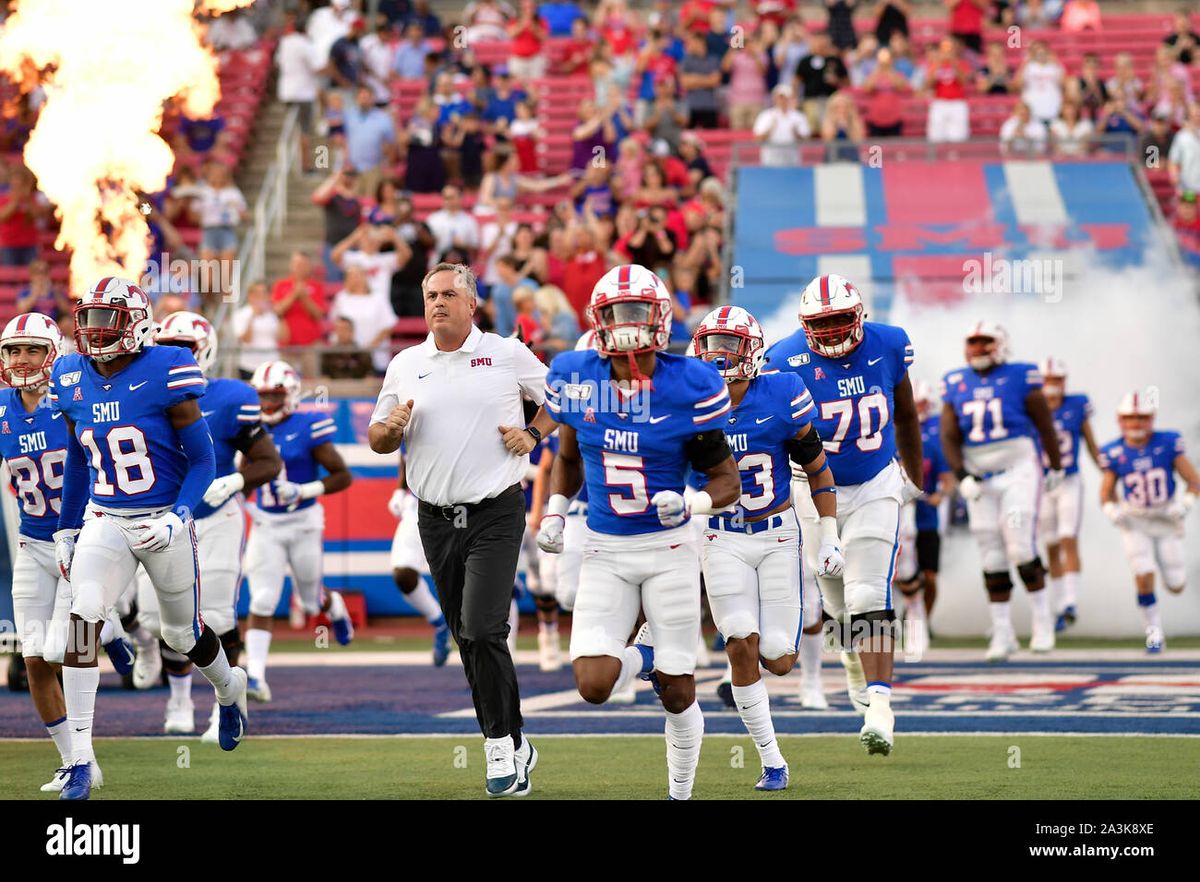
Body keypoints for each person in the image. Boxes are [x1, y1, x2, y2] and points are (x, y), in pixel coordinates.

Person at [536, 263, 742, 800]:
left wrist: (694, 501)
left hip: (669, 547)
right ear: (597, 321)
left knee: (677, 696)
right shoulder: (575, 374)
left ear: (660, 318)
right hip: (605, 547)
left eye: (635, 312)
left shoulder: (690, 383)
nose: (626, 325)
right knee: (593, 684)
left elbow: (726, 480)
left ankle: (679, 793)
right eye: (615, 314)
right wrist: (557, 508)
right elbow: (568, 455)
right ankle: (645, 656)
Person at [50, 278, 248, 800]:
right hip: (106, 517)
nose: (92, 331)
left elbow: (203, 459)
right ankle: (81, 759)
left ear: (136, 324)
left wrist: (180, 516)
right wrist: (68, 526)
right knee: (82, 616)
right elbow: (77, 458)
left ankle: (230, 689)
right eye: (87, 318)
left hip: (162, 516)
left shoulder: (166, 367)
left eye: (104, 320)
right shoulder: (69, 372)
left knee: (181, 636)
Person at [369, 262, 557, 798]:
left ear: (472, 304)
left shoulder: (505, 351)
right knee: (465, 637)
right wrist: (390, 431)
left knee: (481, 627)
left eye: (449, 294)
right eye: (430, 295)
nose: (437, 303)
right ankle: (515, 739)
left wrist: (532, 434)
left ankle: (498, 746)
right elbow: (379, 434)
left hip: (495, 510)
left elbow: (561, 400)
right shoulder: (406, 363)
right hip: (434, 517)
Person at [764, 273, 923, 758]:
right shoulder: (782, 359)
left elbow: (908, 413)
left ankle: (880, 705)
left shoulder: (890, 344)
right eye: (821, 323)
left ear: (858, 316)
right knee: (834, 599)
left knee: (868, 591)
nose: (832, 331)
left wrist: (914, 477)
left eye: (839, 320)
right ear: (805, 324)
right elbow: (774, 433)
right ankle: (853, 663)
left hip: (874, 481)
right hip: (811, 489)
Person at [688, 306, 843, 791]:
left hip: (777, 534)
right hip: (721, 534)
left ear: (752, 352)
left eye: (729, 345)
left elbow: (817, 468)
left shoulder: (781, 393)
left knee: (778, 658)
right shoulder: (687, 400)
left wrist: (831, 533)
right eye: (711, 343)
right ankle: (773, 760)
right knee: (739, 641)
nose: (718, 355)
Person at [131, 313, 281, 740]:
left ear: (206, 351)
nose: (177, 355)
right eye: (167, 346)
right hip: (159, 519)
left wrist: (236, 479)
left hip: (215, 520)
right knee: (158, 619)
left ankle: (225, 706)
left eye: (187, 347)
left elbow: (270, 461)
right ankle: (178, 699)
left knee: (214, 615)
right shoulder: (138, 391)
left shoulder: (232, 396)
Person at [0, 314, 102, 792]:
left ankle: (115, 631)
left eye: (32, 350)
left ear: (52, 353)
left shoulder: (72, 399)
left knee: (71, 648)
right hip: (31, 544)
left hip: (84, 541)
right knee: (35, 659)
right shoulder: (1, 407)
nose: (21, 359)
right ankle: (74, 761)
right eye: (13, 350)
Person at [939, 322, 1064, 661]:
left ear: (1001, 344)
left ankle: (1043, 623)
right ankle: (1003, 631)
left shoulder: (1022, 375)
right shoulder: (954, 381)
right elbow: (948, 434)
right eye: (973, 342)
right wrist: (961, 474)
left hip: (1018, 469)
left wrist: (1055, 465)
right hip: (979, 475)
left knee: (1020, 545)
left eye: (985, 341)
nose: (978, 348)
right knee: (990, 551)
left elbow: (1045, 424)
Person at [242, 360, 355, 702]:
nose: (267, 404)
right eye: (262, 396)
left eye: (274, 396)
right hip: (266, 524)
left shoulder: (309, 424)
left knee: (309, 601)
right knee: (262, 598)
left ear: (290, 395)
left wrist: (304, 491)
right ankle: (256, 677)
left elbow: (342, 475)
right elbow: (244, 473)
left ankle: (333, 606)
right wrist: (242, 501)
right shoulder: (250, 427)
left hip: (304, 523)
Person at [1098, 390, 1199, 654]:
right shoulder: (1113, 450)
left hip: (1165, 518)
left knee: (1176, 584)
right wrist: (1111, 510)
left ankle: (1172, 586)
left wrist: (1185, 503)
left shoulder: (1168, 442)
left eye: (1142, 418)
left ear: (1151, 418)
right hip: (1135, 521)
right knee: (1143, 574)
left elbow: (1194, 480)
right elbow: (1105, 491)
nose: (1136, 424)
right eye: (1131, 418)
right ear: (1121, 420)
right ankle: (1154, 636)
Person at [1034, 358, 1100, 632]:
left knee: (1067, 537)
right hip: (1041, 482)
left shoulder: (1077, 405)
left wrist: (1107, 471)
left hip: (1069, 480)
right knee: (1050, 543)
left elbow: (1091, 443)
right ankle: (1060, 605)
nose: (1053, 386)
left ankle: (1070, 602)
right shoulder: (1031, 407)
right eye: (1048, 380)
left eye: (1057, 380)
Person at [891, 382, 954, 656]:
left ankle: (919, 624)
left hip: (924, 518)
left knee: (925, 575)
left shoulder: (930, 443)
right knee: (892, 575)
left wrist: (941, 495)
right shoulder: (883, 440)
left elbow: (946, 477)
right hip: (894, 515)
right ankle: (891, 628)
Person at [387, 450, 451, 666]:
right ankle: (440, 623)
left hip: (464, 507)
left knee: (467, 575)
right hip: (419, 505)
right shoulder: (412, 416)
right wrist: (400, 488)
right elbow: (407, 454)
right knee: (403, 573)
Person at [232, 280, 281, 379]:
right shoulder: (241, 314)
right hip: (249, 366)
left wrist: (280, 315)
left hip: (271, 365)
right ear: (250, 295)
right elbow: (245, 339)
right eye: (257, 293)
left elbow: (284, 337)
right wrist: (253, 317)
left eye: (264, 293)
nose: (261, 296)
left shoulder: (272, 314)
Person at [753, 83, 811, 167]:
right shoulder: (766, 115)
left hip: (792, 161)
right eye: (780, 98)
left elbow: (806, 140)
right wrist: (770, 130)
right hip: (770, 161)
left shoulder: (799, 116)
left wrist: (797, 134)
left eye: (785, 98)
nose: (783, 101)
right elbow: (758, 139)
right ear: (775, 98)